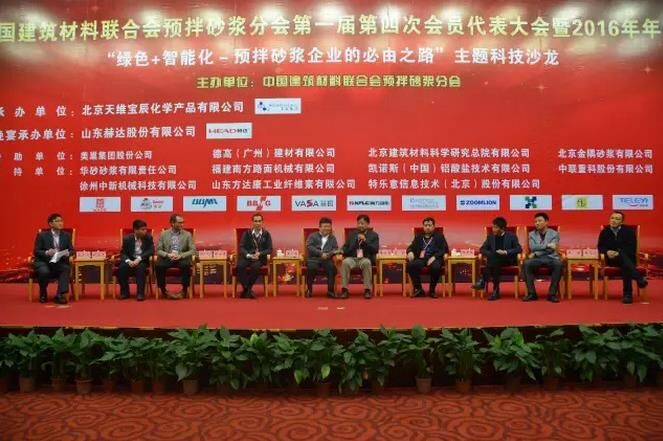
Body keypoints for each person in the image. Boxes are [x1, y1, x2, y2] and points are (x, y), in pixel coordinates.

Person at [597, 210, 648, 304]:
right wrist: (607, 252)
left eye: (617, 219)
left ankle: (627, 295)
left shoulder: (629, 232)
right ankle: (638, 279)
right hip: (612, 259)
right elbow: (600, 247)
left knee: (625, 265)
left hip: (628, 258)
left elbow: (632, 248)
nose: (614, 220)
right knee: (625, 263)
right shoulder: (605, 231)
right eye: (612, 218)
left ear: (622, 222)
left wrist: (619, 253)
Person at [472, 217, 522, 301]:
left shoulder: (511, 236)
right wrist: (490, 254)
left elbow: (518, 249)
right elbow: (482, 249)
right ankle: (495, 291)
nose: (493, 229)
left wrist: (506, 252)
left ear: (502, 229)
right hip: (494, 261)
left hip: (507, 260)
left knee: (493, 261)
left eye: (495, 227)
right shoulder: (490, 237)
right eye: (493, 227)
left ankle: (483, 281)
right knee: (494, 261)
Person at [33, 213, 74, 304]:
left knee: (65, 268)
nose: (60, 223)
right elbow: (36, 251)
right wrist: (47, 252)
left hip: (58, 262)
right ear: (50, 224)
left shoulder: (66, 235)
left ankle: (59, 295)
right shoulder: (42, 235)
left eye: (61, 221)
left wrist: (68, 253)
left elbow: (71, 250)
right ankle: (43, 293)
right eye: (57, 221)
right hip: (44, 262)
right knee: (44, 271)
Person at [522, 213, 562, 303]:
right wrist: (547, 245)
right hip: (537, 260)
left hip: (550, 257)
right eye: (535, 221)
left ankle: (552, 294)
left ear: (546, 222)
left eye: (539, 221)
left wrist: (536, 253)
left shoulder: (554, 234)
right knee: (527, 263)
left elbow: (552, 249)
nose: (537, 223)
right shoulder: (531, 234)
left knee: (558, 264)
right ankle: (532, 293)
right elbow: (533, 247)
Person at [155, 213, 196, 299]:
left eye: (183, 222)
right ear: (172, 223)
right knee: (159, 265)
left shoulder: (187, 234)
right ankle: (163, 290)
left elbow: (193, 250)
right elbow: (158, 250)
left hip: (181, 257)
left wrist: (181, 256)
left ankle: (184, 290)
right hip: (168, 257)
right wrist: (167, 254)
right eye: (180, 222)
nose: (182, 224)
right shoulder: (163, 234)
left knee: (185, 265)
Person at [406, 217, 449, 298]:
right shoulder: (419, 236)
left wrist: (434, 257)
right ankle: (419, 289)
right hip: (422, 259)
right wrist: (410, 252)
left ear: (433, 226)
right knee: (411, 265)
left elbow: (444, 249)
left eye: (429, 225)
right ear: (423, 226)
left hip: (434, 258)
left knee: (436, 267)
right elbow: (411, 247)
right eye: (425, 225)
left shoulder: (439, 236)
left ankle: (432, 291)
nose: (427, 227)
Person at [340, 214, 379, 299]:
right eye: (359, 223)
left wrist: (365, 241)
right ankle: (344, 290)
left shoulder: (373, 235)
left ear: (367, 224)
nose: (360, 225)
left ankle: (367, 290)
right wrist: (342, 250)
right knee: (345, 262)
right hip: (352, 258)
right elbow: (346, 246)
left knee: (367, 263)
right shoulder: (352, 234)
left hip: (365, 258)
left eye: (362, 223)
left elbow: (375, 250)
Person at [236, 213, 273, 299]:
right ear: (252, 222)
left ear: (262, 222)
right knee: (240, 266)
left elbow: (270, 249)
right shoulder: (247, 233)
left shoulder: (266, 234)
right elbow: (241, 247)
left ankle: (246, 290)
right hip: (248, 257)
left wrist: (260, 253)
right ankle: (248, 290)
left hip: (259, 258)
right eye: (256, 221)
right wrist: (248, 255)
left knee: (255, 267)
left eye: (259, 221)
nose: (257, 223)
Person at [117, 219, 154, 301]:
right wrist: (128, 261)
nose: (145, 231)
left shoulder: (148, 238)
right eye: (142, 229)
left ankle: (140, 293)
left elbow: (151, 250)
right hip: (130, 259)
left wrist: (139, 259)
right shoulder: (127, 238)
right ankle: (124, 292)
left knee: (140, 268)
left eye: (145, 229)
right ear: (135, 230)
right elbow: (123, 253)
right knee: (122, 268)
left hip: (142, 260)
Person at [305, 217, 339, 299]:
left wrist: (328, 254)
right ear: (319, 227)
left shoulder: (332, 238)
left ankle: (330, 291)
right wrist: (320, 254)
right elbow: (309, 246)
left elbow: (335, 249)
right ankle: (309, 289)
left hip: (327, 259)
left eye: (328, 226)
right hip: (314, 258)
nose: (327, 228)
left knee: (332, 268)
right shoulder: (312, 236)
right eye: (324, 226)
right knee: (311, 267)